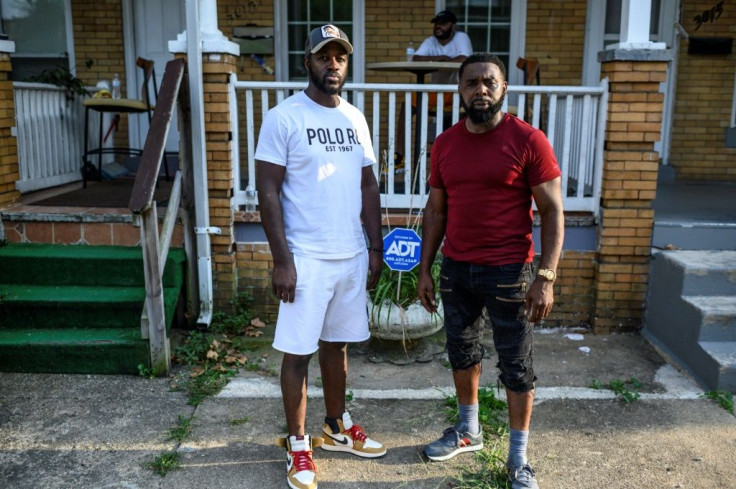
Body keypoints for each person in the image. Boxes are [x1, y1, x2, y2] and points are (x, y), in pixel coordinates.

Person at [417, 52, 564, 489]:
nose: (480, 89)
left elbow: (554, 212)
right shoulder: (444, 144)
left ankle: (518, 459)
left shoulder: (528, 140)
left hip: (509, 272)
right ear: (459, 91)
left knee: (517, 365)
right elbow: (436, 211)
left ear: (503, 88)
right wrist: (426, 269)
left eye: (489, 82)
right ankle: (468, 431)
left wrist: (546, 276)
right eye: (471, 83)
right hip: (457, 268)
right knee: (462, 353)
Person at [255, 24, 386, 489]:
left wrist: (375, 247)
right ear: (306, 62)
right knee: (297, 353)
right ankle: (297, 443)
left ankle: (335, 427)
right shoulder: (283, 117)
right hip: (305, 256)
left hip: (350, 254)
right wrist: (282, 259)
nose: (333, 64)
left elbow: (367, 186)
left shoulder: (355, 118)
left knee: (338, 346)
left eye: (340, 57)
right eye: (324, 56)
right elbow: (266, 191)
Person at [395, 10, 473, 169]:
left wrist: (445, 59)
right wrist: (440, 58)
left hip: (458, 92)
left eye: (443, 23)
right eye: (436, 23)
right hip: (436, 92)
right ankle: (400, 157)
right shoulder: (431, 41)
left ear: (453, 26)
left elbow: (465, 59)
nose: (438, 26)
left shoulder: (461, 38)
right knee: (407, 103)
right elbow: (416, 58)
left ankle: (463, 160)